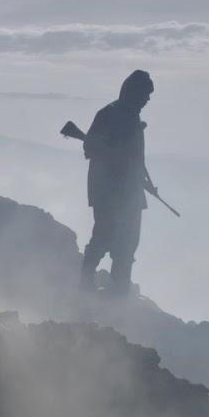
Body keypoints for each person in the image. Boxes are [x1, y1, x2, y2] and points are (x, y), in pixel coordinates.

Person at [79, 69, 157, 298]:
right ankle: (85, 283)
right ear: (133, 92)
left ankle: (119, 290)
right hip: (107, 190)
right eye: (144, 95)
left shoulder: (133, 119)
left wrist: (146, 181)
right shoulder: (108, 115)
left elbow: (136, 158)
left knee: (129, 242)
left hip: (130, 192)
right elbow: (90, 148)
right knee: (104, 235)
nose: (147, 100)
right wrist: (113, 156)